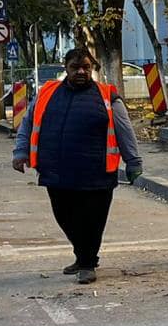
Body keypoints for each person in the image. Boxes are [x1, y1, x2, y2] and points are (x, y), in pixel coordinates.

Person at [11, 48, 144, 285]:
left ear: (92, 69)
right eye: (75, 67)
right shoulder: (47, 94)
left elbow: (125, 131)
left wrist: (133, 162)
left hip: (97, 174)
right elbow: (28, 124)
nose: (81, 72)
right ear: (66, 68)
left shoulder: (108, 96)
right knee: (64, 217)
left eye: (86, 67)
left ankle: (86, 263)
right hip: (56, 172)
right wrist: (20, 152)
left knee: (92, 221)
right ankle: (83, 255)